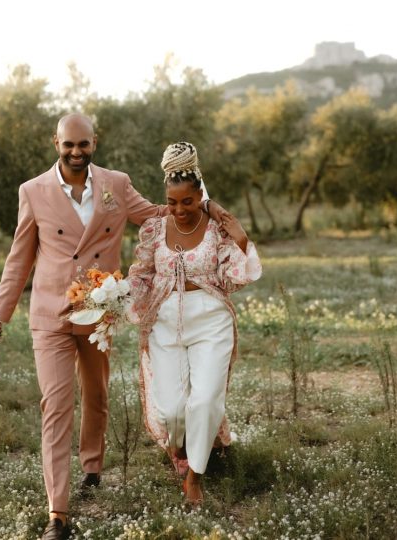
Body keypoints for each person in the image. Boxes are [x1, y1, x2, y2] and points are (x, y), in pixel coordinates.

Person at [0, 115, 225, 540]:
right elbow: (18, 260)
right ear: (56, 141)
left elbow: (156, 214)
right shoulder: (32, 191)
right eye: (68, 144)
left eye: (84, 144)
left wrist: (206, 205)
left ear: (95, 142)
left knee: (96, 395)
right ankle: (58, 513)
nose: (76, 151)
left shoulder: (116, 184)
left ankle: (92, 466)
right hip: (50, 315)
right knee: (56, 406)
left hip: (99, 316)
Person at [127, 142, 262, 505]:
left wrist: (240, 237)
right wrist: (117, 299)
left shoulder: (216, 228)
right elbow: (142, 274)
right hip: (165, 321)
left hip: (210, 321)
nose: (180, 209)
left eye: (187, 201)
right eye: (172, 202)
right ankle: (182, 449)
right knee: (171, 408)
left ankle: (195, 479)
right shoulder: (155, 229)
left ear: (199, 195)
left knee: (204, 399)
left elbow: (236, 275)